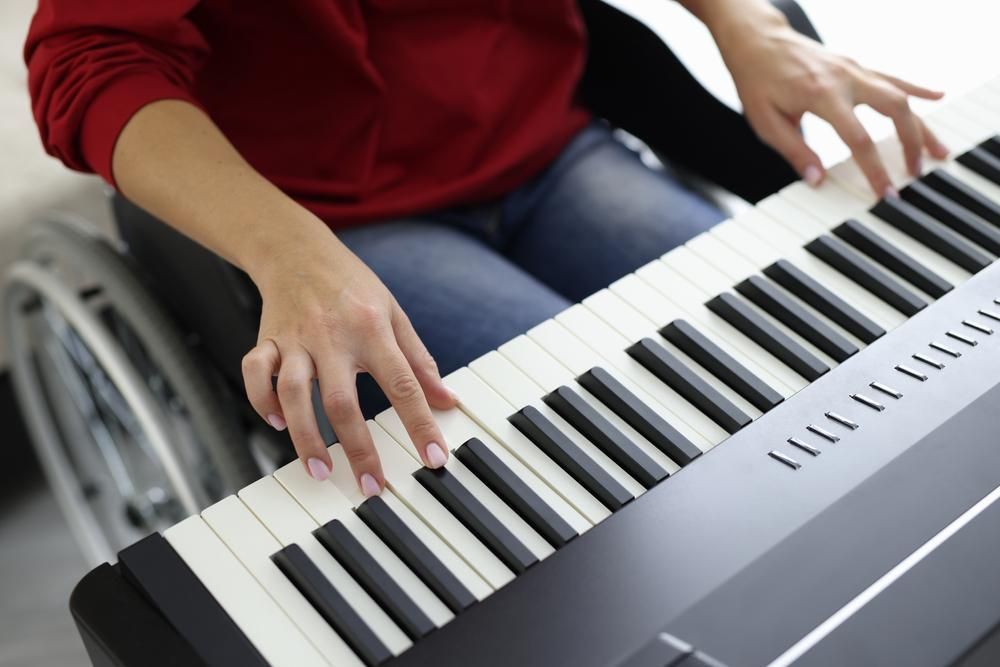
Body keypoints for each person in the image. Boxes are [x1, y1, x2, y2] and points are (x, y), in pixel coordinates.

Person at [26, 0, 948, 499]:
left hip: (542, 132)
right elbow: (92, 57)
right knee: (626, 443)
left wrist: (744, 23)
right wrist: (286, 252)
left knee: (806, 355)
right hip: (335, 215)